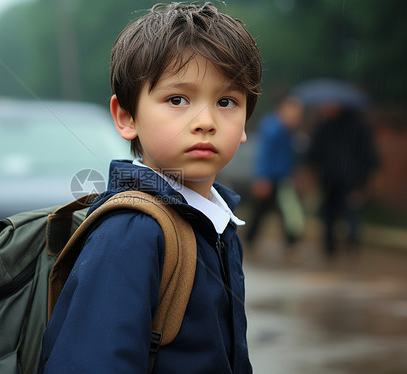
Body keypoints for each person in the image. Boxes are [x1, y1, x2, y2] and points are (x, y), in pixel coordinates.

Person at [39, 3, 262, 373]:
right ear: (126, 117)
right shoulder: (132, 232)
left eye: (226, 102)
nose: (205, 121)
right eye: (177, 100)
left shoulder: (217, 222)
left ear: (243, 125)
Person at [306, 104, 378, 258]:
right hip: (337, 179)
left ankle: (343, 247)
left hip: (344, 179)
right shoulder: (355, 127)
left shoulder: (329, 126)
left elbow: (313, 154)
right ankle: (338, 248)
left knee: (346, 212)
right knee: (339, 213)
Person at [245, 95, 304, 250]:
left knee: (288, 212)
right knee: (262, 211)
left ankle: (292, 243)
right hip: (269, 177)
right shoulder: (272, 127)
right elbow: (265, 154)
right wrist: (262, 177)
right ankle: (249, 240)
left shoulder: (288, 129)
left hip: (283, 177)